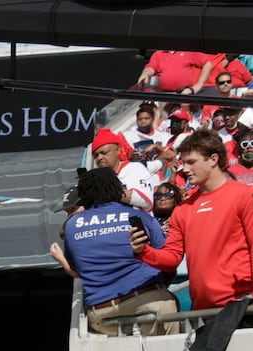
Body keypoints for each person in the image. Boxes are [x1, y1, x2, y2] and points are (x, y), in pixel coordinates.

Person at [132, 128, 253, 310]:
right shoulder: (183, 209)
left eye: (191, 162)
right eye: (183, 163)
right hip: (203, 308)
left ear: (213, 159)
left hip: (243, 306)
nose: (185, 169)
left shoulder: (244, 196)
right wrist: (143, 251)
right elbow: (172, 257)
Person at [57, 166, 178, 337]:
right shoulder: (141, 217)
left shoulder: (71, 225)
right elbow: (167, 260)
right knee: (171, 305)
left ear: (83, 194)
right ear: (117, 188)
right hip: (150, 302)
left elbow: (76, 268)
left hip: (101, 315)